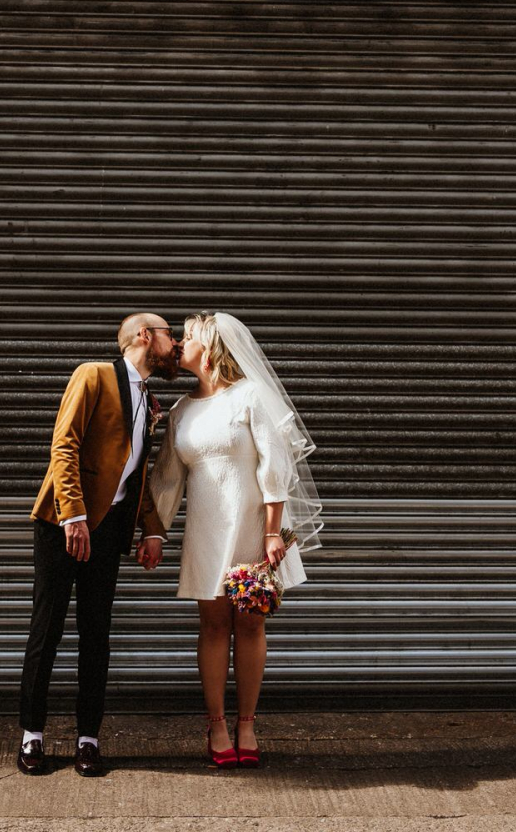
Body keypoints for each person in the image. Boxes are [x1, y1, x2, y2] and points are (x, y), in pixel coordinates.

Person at [144, 310, 325, 769]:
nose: (179, 344)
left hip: (251, 527)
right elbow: (167, 480)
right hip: (207, 529)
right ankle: (217, 724)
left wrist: (271, 531)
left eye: (187, 336)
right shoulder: (182, 410)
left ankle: (247, 722)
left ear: (211, 348)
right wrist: (154, 532)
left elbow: (274, 466)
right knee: (212, 626)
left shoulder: (249, 396)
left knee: (250, 625)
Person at [17, 312, 181, 777]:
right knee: (46, 629)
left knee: (97, 635)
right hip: (62, 523)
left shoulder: (148, 397)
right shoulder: (92, 375)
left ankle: (88, 739)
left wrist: (151, 529)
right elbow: (64, 445)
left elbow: (136, 475)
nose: (177, 344)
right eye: (171, 335)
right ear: (145, 336)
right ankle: (32, 736)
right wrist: (74, 516)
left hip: (109, 531)